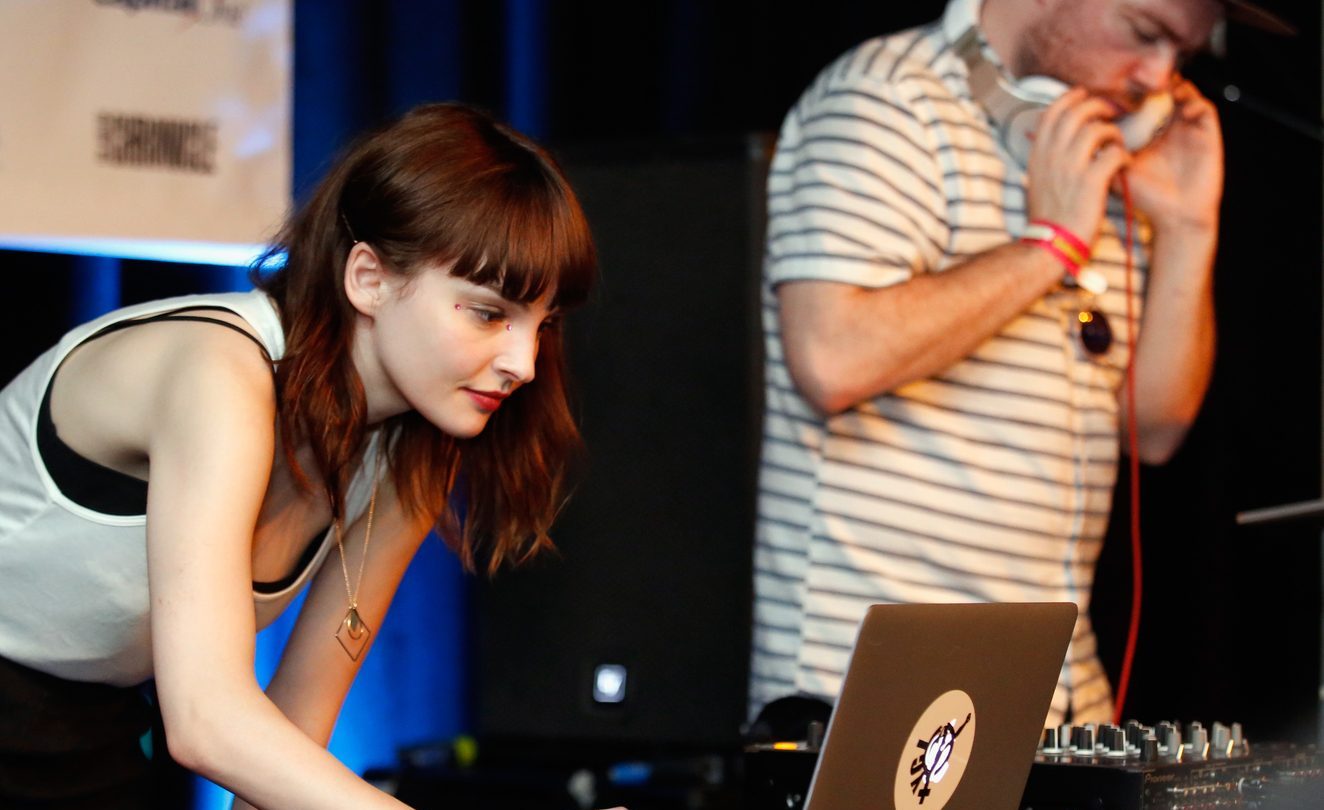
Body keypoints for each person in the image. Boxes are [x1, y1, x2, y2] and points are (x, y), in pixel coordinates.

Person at [0, 102, 596, 808]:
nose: (524, 364)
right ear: (368, 278)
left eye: (544, 323)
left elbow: (289, 736)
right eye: (490, 313)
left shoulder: (411, 452)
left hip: (89, 732)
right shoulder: (218, 372)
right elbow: (207, 721)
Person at [749, 0, 1284, 726]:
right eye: (1145, 32)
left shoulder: (1104, 144)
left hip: (1057, 692)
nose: (1158, 77)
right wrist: (1053, 243)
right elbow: (832, 357)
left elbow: (1153, 429)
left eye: (1183, 56)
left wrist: (1190, 225)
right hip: (876, 694)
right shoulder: (884, 99)